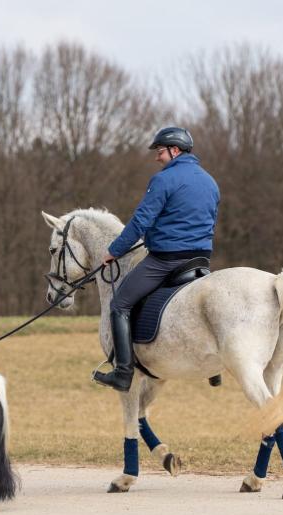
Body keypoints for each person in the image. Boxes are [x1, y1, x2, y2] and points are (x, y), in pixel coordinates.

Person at [92, 126, 220, 392]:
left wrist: (114, 251)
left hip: (166, 259)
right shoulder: (210, 181)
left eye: (160, 151)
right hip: (201, 258)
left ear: (175, 150)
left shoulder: (163, 180)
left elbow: (140, 221)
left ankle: (122, 373)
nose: (156, 157)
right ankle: (215, 370)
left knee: (119, 305)